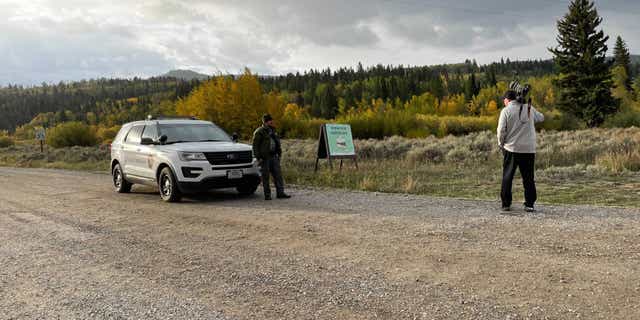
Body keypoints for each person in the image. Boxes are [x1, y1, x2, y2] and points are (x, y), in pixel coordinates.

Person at [497, 90, 544, 212]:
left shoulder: (506, 111)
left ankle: (506, 203)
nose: (504, 103)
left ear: (507, 100)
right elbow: (541, 117)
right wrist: (529, 109)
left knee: (507, 176)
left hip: (511, 148)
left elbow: (501, 130)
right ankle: (529, 204)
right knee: (528, 177)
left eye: (504, 101)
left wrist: (501, 144)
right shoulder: (529, 108)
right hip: (528, 149)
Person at [252, 114, 291, 200]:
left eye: (271, 120)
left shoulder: (273, 131)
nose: (272, 122)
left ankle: (280, 193)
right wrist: (258, 158)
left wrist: (279, 153)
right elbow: (255, 146)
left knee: (278, 175)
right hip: (265, 157)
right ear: (265, 122)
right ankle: (267, 195)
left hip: (274, 156)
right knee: (265, 177)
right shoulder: (259, 132)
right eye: (270, 121)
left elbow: (277, 142)